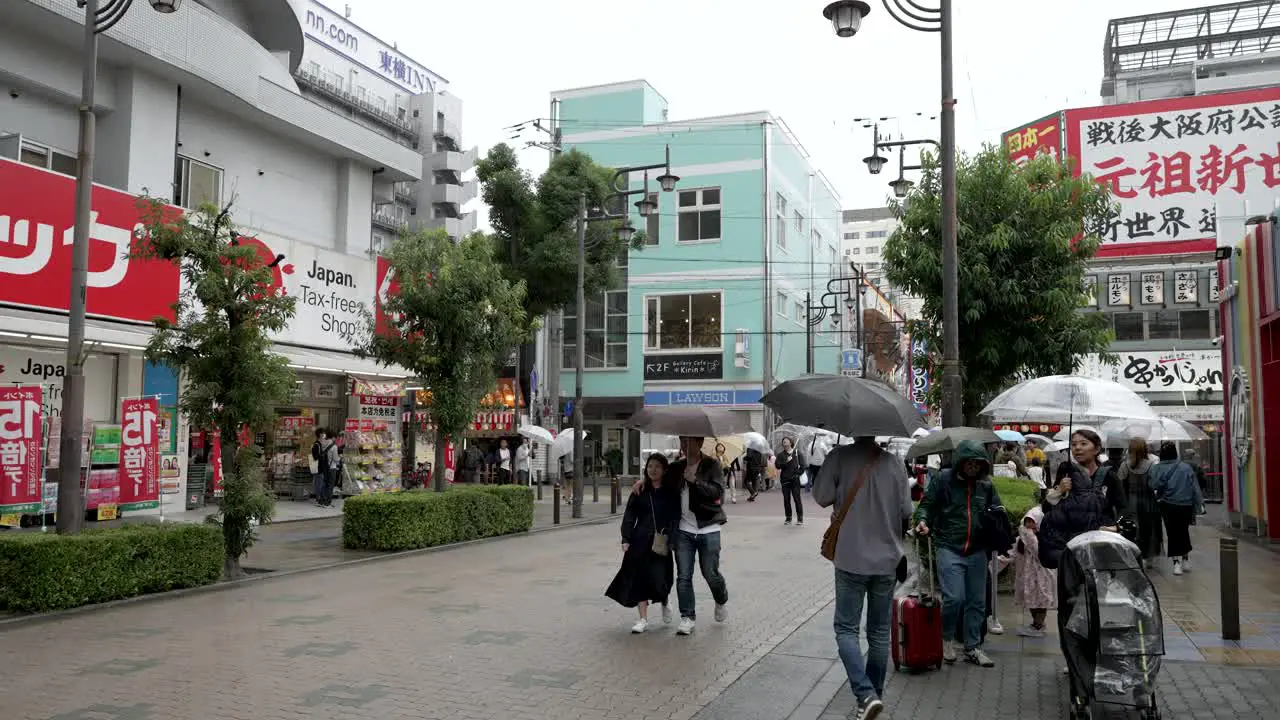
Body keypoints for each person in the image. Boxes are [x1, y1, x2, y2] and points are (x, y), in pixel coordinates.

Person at [814, 437, 913, 720]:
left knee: (846, 629)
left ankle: (865, 694)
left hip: (850, 557)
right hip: (887, 560)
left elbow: (821, 497)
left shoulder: (838, 456)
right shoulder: (894, 462)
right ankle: (872, 699)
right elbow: (906, 510)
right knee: (879, 632)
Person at [913, 440, 1001, 668]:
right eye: (969, 462)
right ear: (960, 462)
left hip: (977, 550)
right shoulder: (943, 480)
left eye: (978, 463)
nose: (973, 467)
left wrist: (998, 525)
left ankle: (973, 647)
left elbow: (997, 510)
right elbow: (926, 505)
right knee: (954, 598)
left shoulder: (986, 485)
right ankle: (945, 638)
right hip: (949, 546)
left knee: (977, 602)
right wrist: (922, 521)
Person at [645, 435, 729, 636]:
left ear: (699, 443)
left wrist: (695, 481)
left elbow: (718, 493)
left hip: (708, 527)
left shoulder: (712, 465)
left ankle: (721, 599)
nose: (684, 446)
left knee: (711, 573)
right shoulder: (676, 467)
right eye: (682, 442)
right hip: (683, 529)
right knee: (683, 576)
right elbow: (660, 482)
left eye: (689, 442)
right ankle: (687, 617)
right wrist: (643, 482)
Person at [607, 453, 679, 633]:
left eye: (657, 466)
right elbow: (629, 516)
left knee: (660, 578)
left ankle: (664, 599)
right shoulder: (640, 490)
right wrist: (626, 538)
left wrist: (672, 537)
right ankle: (643, 619)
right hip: (640, 541)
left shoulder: (670, 492)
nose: (653, 470)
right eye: (650, 466)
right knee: (639, 579)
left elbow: (674, 517)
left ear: (664, 470)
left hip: (661, 542)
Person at [1038, 429, 1124, 572]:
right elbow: (1047, 510)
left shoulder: (1110, 477)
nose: (1077, 448)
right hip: (1069, 549)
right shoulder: (1066, 473)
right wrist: (1059, 491)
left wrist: (1113, 528)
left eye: (1083, 444)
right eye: (1074, 444)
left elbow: (1123, 510)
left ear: (1096, 449)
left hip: (1100, 546)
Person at [1150, 442, 1205, 576]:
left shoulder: (1157, 468)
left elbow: (1153, 485)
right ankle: (1185, 558)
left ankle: (1176, 563)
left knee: (1172, 532)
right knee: (1183, 530)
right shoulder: (1185, 467)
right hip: (1185, 504)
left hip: (1167, 503)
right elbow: (1194, 487)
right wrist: (1200, 504)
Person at [1116, 438, 1161, 569]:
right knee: (1150, 528)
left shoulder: (1125, 464)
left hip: (1130, 500)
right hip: (1148, 501)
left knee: (1131, 528)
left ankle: (1132, 554)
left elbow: (1120, 481)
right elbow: (1155, 483)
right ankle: (1149, 557)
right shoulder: (1152, 463)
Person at [1013, 506, 1056, 638]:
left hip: (1043, 576)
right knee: (1031, 601)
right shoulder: (1023, 538)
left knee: (1041, 601)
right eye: (1027, 521)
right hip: (1028, 576)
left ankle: (1038, 626)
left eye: (1032, 521)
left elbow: (1038, 552)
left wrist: (1029, 535)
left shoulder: (1043, 537)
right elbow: (1014, 553)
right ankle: (1037, 624)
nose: (1029, 524)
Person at [774, 437, 805, 526]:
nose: (784, 443)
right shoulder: (780, 455)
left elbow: (803, 466)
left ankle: (800, 519)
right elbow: (777, 466)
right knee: (786, 500)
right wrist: (786, 462)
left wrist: (797, 474)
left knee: (797, 499)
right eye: (783, 442)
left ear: (791, 443)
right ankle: (788, 518)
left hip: (795, 480)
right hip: (785, 480)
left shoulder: (797, 453)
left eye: (786, 441)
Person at [310, 428, 339, 508]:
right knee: (330, 485)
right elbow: (336, 459)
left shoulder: (322, 444)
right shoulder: (334, 446)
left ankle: (321, 501)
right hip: (332, 467)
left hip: (325, 467)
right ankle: (327, 503)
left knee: (324, 484)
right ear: (333, 437)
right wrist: (340, 459)